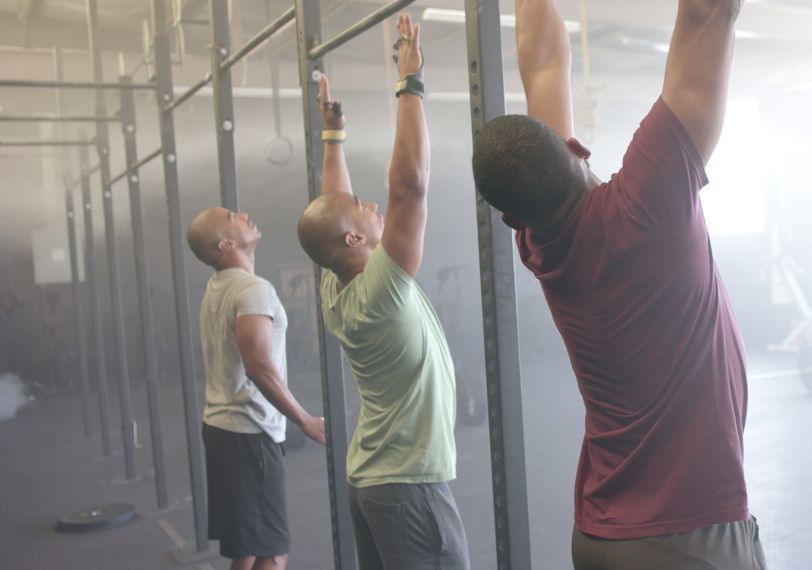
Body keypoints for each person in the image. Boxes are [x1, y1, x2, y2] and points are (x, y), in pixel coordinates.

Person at [472, 0, 766, 568]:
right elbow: (708, 14)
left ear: (514, 220)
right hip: (685, 536)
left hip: (602, 536)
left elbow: (544, 67)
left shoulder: (540, 243)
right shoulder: (647, 205)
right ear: (576, 148)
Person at [296, 13, 469, 569]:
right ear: (354, 237)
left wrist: (333, 136)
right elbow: (410, 186)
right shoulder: (381, 289)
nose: (373, 205)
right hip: (408, 489)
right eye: (364, 211)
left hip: (372, 482)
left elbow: (333, 208)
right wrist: (410, 82)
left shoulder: (337, 283)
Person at [187, 206, 326, 570]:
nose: (244, 214)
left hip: (225, 430)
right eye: (232, 215)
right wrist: (304, 420)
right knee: (272, 551)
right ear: (226, 242)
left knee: (250, 548)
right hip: (249, 435)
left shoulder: (219, 286)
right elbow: (259, 366)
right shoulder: (252, 289)